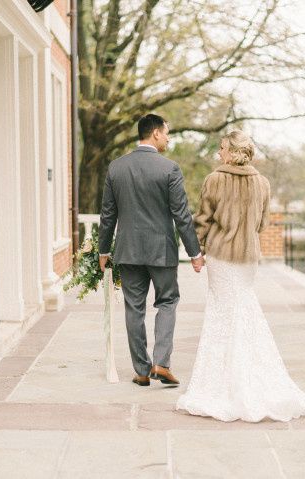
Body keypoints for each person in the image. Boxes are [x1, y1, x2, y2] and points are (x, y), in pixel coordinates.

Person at [176, 130, 305, 422]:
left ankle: (223, 384)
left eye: (223, 148)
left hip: (221, 257)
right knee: (244, 310)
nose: (219, 153)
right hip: (247, 259)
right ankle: (250, 378)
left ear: (234, 151)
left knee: (221, 315)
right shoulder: (262, 183)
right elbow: (263, 224)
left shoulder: (214, 179)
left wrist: (197, 252)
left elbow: (202, 220)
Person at [97, 113, 205, 388]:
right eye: (167, 133)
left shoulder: (116, 168)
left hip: (128, 250)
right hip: (162, 251)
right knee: (167, 302)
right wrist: (195, 253)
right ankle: (162, 363)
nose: (168, 138)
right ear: (155, 133)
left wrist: (103, 251)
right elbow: (181, 215)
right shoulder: (169, 169)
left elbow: (107, 215)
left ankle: (142, 371)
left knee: (134, 308)